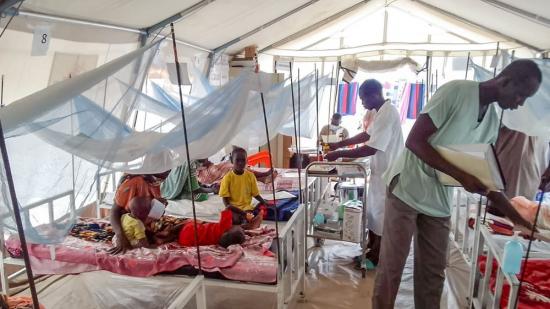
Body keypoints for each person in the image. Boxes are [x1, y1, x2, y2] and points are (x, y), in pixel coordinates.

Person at [373, 59, 542, 309]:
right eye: (520, 95)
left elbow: (486, 179)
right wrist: (462, 177)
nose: (520, 103)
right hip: (407, 188)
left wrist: (516, 217)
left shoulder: (492, 123)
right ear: (505, 81)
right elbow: (415, 141)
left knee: (433, 273)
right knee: (392, 267)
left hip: (439, 200)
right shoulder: (456, 92)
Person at [325, 79, 404, 267]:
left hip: (390, 172)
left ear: (374, 95)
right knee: (374, 213)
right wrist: (340, 144)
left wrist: (339, 154)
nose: (362, 103)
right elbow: (367, 135)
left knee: (383, 215)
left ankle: (378, 256)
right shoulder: (377, 112)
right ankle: (371, 248)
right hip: (380, 172)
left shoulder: (388, 113)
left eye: (362, 99)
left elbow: (370, 148)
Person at [109, 171, 170, 254]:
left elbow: (148, 204)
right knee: (166, 235)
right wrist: (120, 236)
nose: (163, 179)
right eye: (162, 175)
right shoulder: (132, 182)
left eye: (166, 175)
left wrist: (158, 205)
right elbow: (114, 212)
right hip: (129, 229)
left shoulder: (153, 181)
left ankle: (154, 236)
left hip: (145, 224)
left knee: (171, 229)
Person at [219, 147, 270, 224]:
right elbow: (225, 200)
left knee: (248, 217)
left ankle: (245, 220)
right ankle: (244, 220)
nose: (240, 163)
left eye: (243, 160)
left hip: (246, 207)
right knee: (236, 219)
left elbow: (255, 194)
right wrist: (229, 208)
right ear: (232, 161)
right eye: (237, 160)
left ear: (247, 161)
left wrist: (263, 202)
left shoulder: (250, 176)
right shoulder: (227, 178)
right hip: (233, 208)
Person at [178, 208, 263, 248]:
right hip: (185, 241)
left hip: (188, 231)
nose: (241, 229)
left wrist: (243, 214)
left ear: (227, 231)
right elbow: (235, 234)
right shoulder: (222, 240)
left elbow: (228, 207)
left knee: (194, 221)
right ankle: (249, 226)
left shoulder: (224, 226)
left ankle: (249, 226)